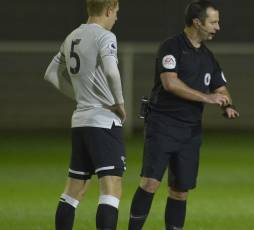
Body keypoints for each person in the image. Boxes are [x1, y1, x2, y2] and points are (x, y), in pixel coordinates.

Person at [128, 1, 239, 229]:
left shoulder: (208, 56)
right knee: (150, 183)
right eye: (214, 22)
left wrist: (226, 104)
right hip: (163, 125)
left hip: (190, 132)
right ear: (197, 22)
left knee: (180, 191)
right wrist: (207, 98)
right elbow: (170, 83)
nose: (218, 27)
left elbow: (221, 88)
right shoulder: (171, 47)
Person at [44, 0, 126, 229]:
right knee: (112, 186)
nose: (116, 18)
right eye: (117, 12)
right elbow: (111, 70)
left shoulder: (72, 36)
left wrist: (79, 97)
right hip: (103, 121)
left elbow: (51, 75)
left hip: (80, 121)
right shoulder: (105, 37)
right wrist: (119, 103)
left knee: (74, 190)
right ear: (109, 10)